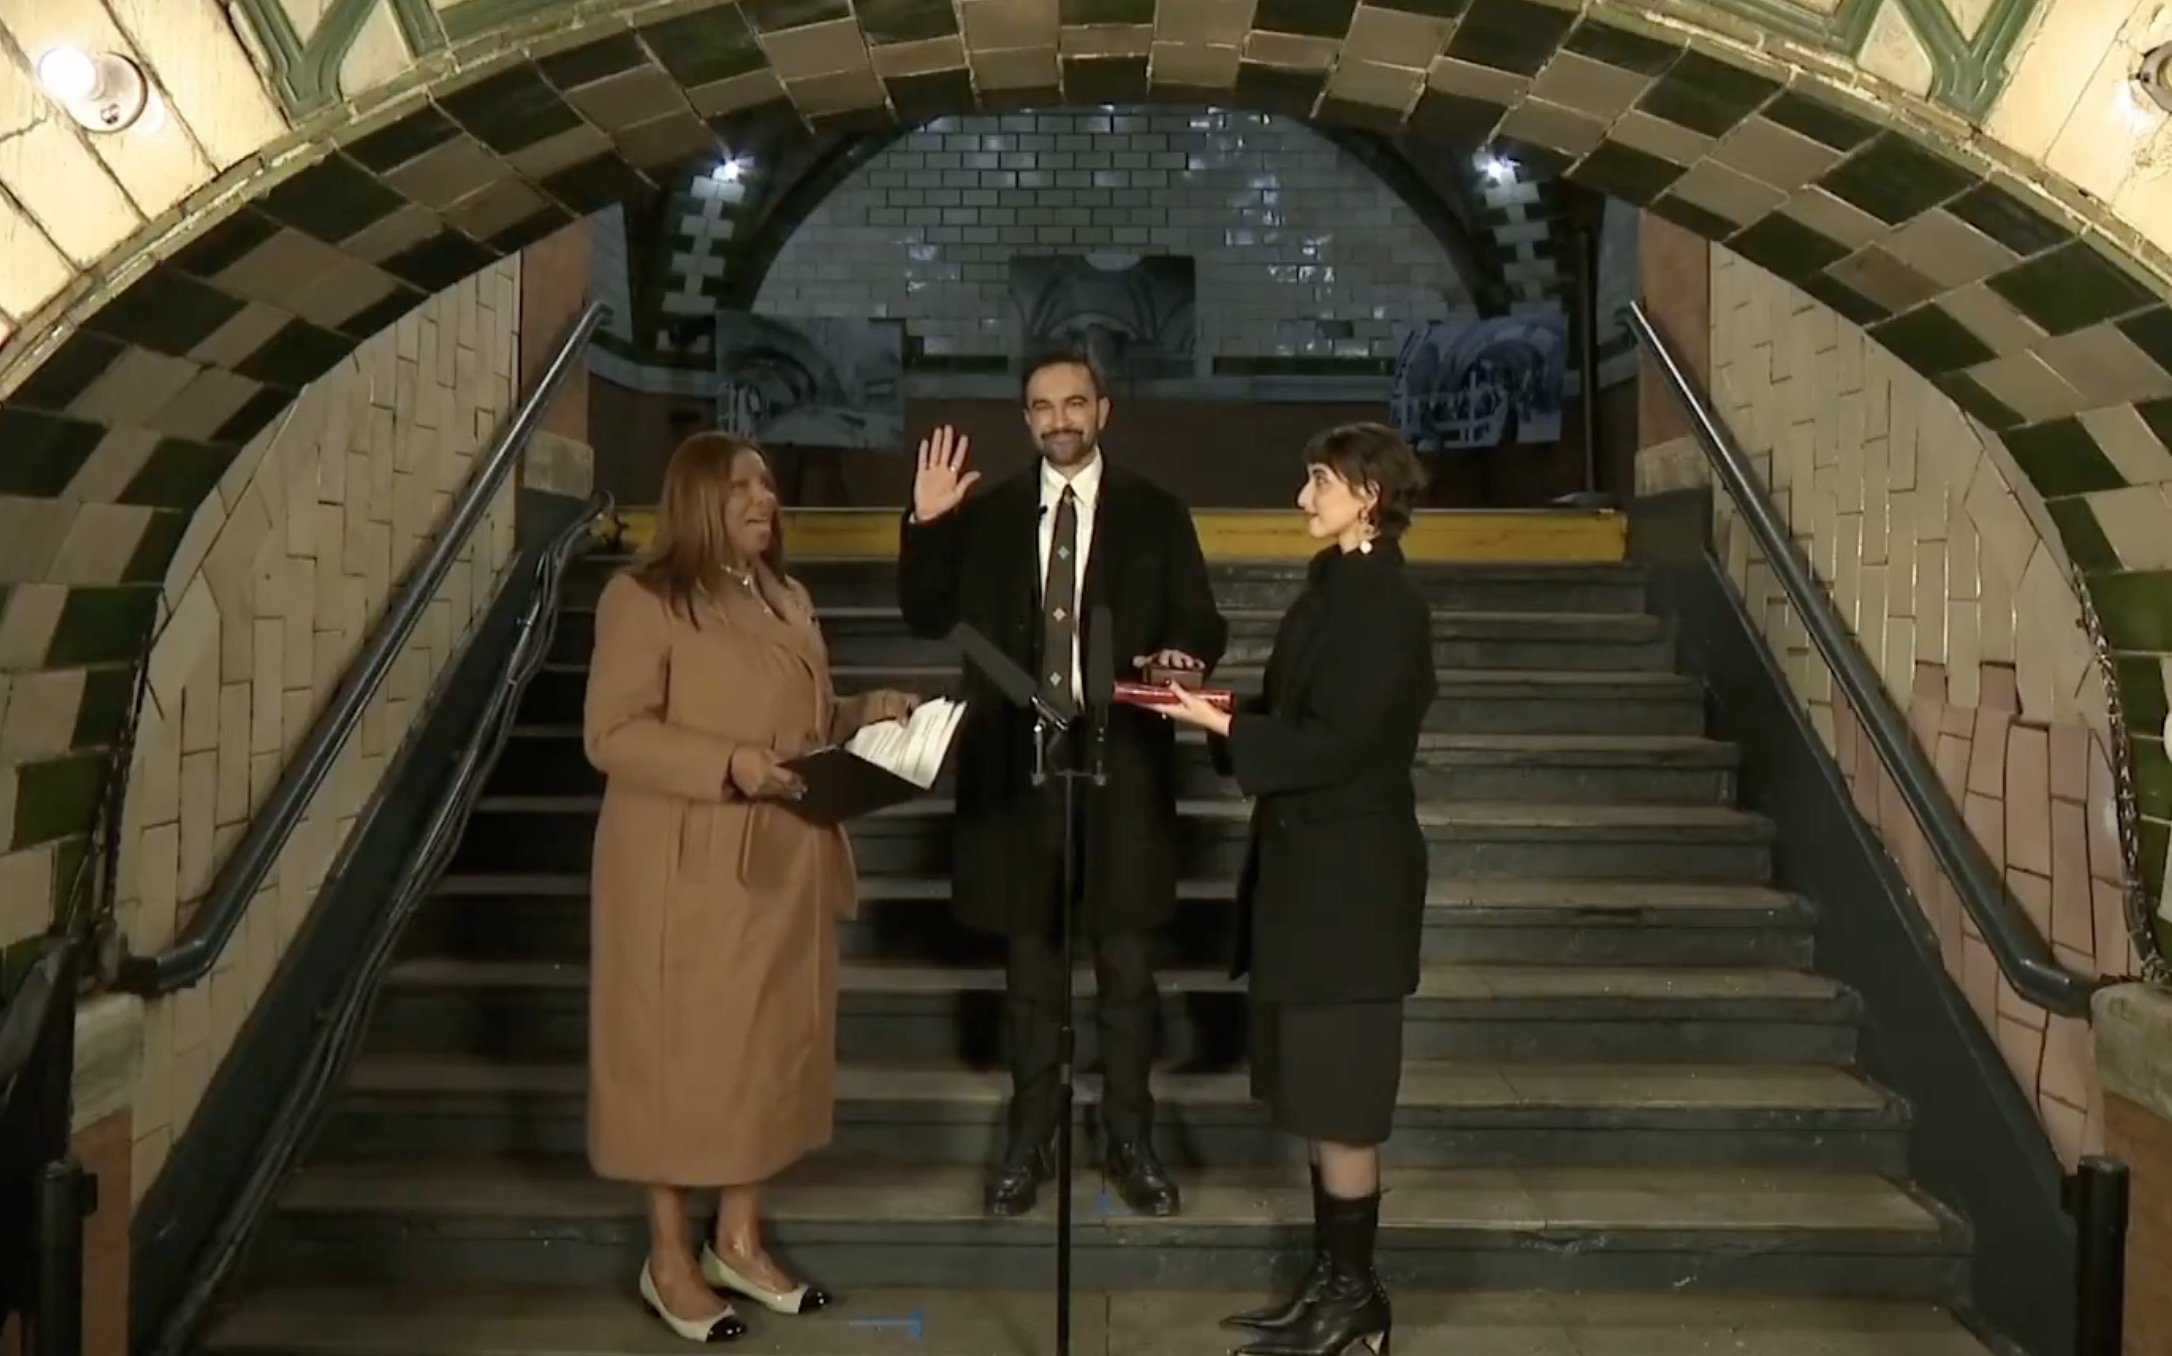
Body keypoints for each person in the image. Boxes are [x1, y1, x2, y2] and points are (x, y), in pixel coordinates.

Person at [584, 431, 923, 1342]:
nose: (762, 497)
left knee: (766, 1054)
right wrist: (730, 763)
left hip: (782, 858)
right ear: (697, 497)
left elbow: (799, 720)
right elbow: (611, 734)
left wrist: (863, 714)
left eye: (766, 483)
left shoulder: (786, 595)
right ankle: (667, 1258)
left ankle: (737, 1238)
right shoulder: (645, 599)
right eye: (740, 485)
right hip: (682, 863)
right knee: (675, 1056)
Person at [897, 347, 1228, 1218]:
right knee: (1031, 978)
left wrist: (1185, 654)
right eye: (1042, 407)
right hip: (1018, 778)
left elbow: (1201, 619)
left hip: (1123, 774)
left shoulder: (1157, 513)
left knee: (1127, 976)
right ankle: (1029, 1139)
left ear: (1104, 411)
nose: (1060, 420)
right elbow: (929, 615)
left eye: (1074, 402)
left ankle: (1131, 1139)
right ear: (1027, 420)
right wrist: (927, 524)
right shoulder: (994, 512)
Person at [1157, 422, 1435, 1356]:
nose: (1302, 496)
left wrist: (1227, 728)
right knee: (1322, 1097)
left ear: (1368, 494)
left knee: (1345, 1102)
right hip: (1311, 881)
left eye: (1318, 480)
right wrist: (1205, 701)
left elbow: (1344, 744)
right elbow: (1295, 716)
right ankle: (1335, 1286)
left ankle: (1355, 1297)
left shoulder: (1387, 608)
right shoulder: (1333, 592)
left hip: (1352, 892)